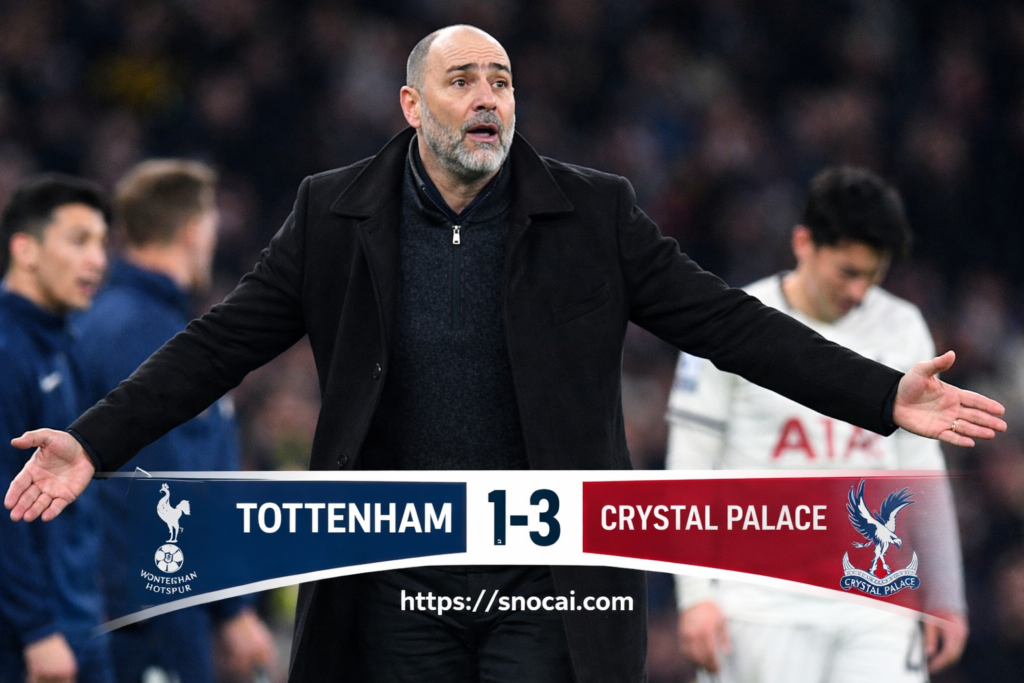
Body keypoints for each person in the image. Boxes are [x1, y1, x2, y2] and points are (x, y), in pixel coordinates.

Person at [4, 26, 1005, 683]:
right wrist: (94, 442)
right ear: (410, 106)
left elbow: (724, 323)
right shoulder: (332, 213)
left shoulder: (593, 211)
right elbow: (221, 342)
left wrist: (880, 393)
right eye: (462, 79)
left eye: (503, 80)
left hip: (547, 564)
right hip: (394, 556)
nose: (489, 96)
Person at [667, 166, 969, 683]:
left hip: (877, 599)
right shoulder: (730, 321)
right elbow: (690, 465)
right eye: (847, 272)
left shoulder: (902, 326)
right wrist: (695, 597)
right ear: (803, 242)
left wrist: (946, 594)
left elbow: (920, 466)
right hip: (759, 605)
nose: (859, 290)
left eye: (873, 275)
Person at [75, 160, 276, 683]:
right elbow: (168, 484)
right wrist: (231, 610)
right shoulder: (146, 335)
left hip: (124, 600)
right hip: (151, 611)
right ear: (192, 230)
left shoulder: (107, 319)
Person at [0, 174, 113, 683]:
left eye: (102, 243)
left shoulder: (61, 344)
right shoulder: (8, 351)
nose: (98, 260)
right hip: (30, 638)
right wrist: (37, 630)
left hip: (76, 619)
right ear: (25, 249)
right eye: (79, 240)